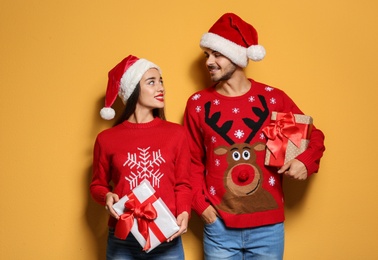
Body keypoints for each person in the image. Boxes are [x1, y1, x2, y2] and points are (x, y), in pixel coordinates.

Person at [184, 13, 325, 259]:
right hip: (219, 227)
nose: (208, 62)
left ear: (237, 56)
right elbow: (191, 160)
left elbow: (315, 136)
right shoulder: (198, 104)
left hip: (267, 229)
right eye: (207, 55)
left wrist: (304, 161)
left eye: (217, 54)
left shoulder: (271, 99)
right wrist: (201, 205)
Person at [90, 55, 192, 260]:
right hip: (123, 236)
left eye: (161, 81)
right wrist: (106, 197)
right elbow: (97, 185)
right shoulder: (106, 139)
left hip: (166, 235)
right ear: (133, 89)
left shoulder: (177, 134)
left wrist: (184, 212)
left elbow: (183, 183)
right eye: (151, 82)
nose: (160, 88)